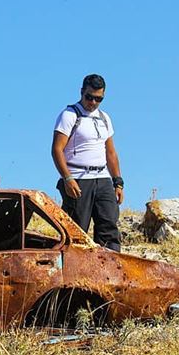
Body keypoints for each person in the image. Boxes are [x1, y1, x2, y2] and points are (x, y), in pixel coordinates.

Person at [51, 74, 123, 251]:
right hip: (78, 178)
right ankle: (72, 274)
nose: (93, 102)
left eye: (98, 99)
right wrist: (67, 179)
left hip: (102, 178)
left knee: (109, 228)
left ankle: (110, 273)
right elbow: (56, 149)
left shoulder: (104, 118)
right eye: (89, 97)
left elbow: (111, 152)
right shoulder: (69, 115)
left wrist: (118, 182)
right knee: (76, 231)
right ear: (81, 92)